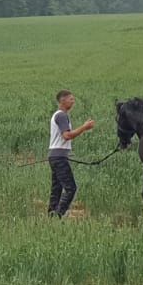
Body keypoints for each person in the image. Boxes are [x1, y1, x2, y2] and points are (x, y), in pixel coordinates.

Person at [47, 89, 95, 217]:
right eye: (71, 99)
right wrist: (84, 127)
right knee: (70, 188)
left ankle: (51, 215)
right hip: (59, 158)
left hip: (55, 155)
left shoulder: (57, 115)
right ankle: (58, 215)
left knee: (56, 189)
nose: (73, 102)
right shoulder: (62, 115)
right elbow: (67, 135)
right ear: (62, 101)